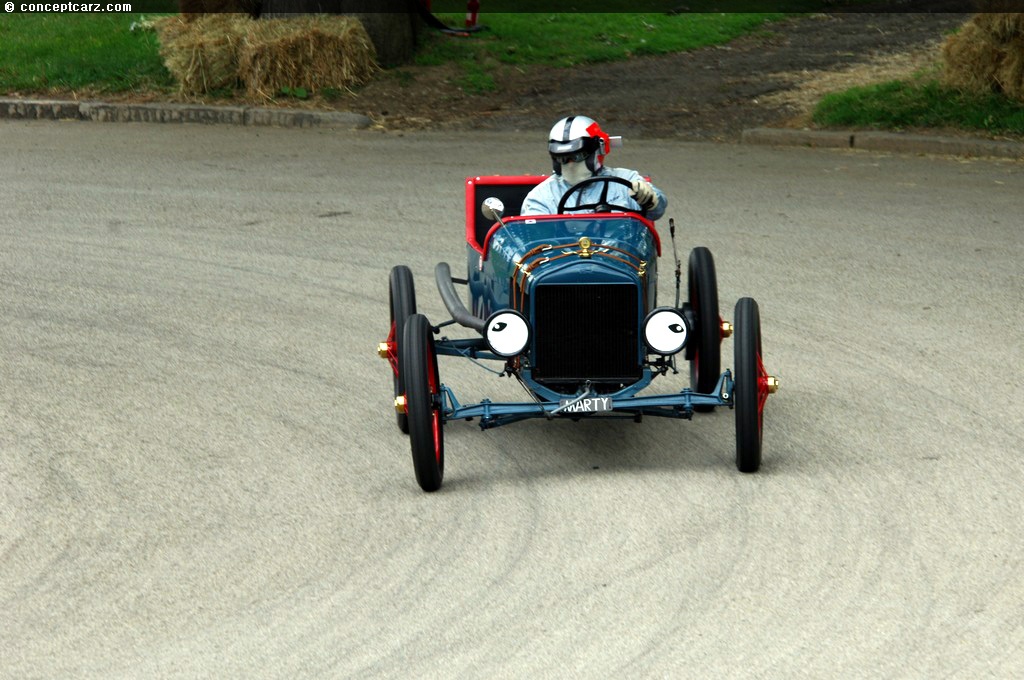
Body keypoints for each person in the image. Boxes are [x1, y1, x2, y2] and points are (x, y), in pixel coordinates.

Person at [520, 115, 667, 221]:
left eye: (577, 156)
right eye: (562, 158)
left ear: (597, 151)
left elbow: (657, 212)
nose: (570, 163)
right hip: (564, 261)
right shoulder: (541, 197)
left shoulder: (626, 181)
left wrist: (651, 200)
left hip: (619, 258)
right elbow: (534, 240)